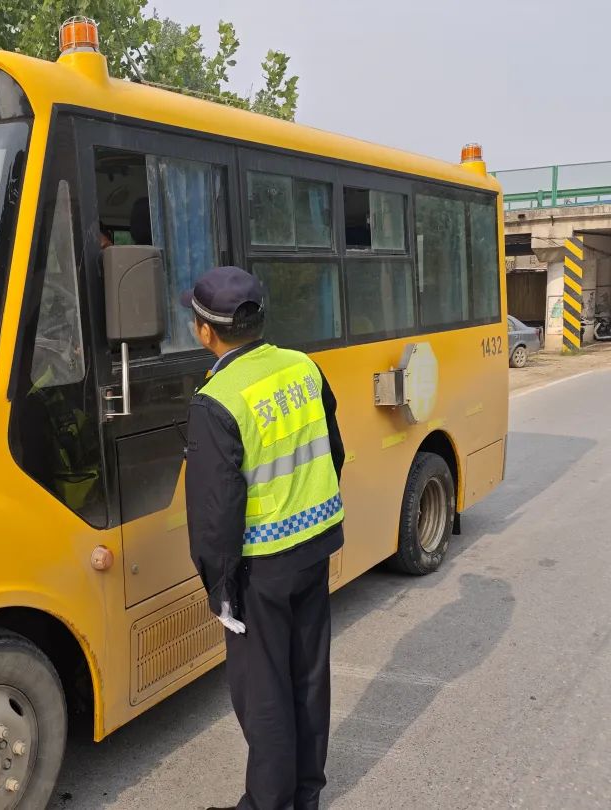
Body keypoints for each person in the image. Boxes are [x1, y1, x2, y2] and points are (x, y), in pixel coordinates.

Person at [182, 265, 346, 810]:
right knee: (308, 675)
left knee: (264, 693)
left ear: (206, 331)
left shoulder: (217, 399)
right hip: (314, 545)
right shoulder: (303, 367)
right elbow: (333, 451)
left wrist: (219, 586)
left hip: (261, 567)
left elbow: (216, 516)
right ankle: (305, 795)